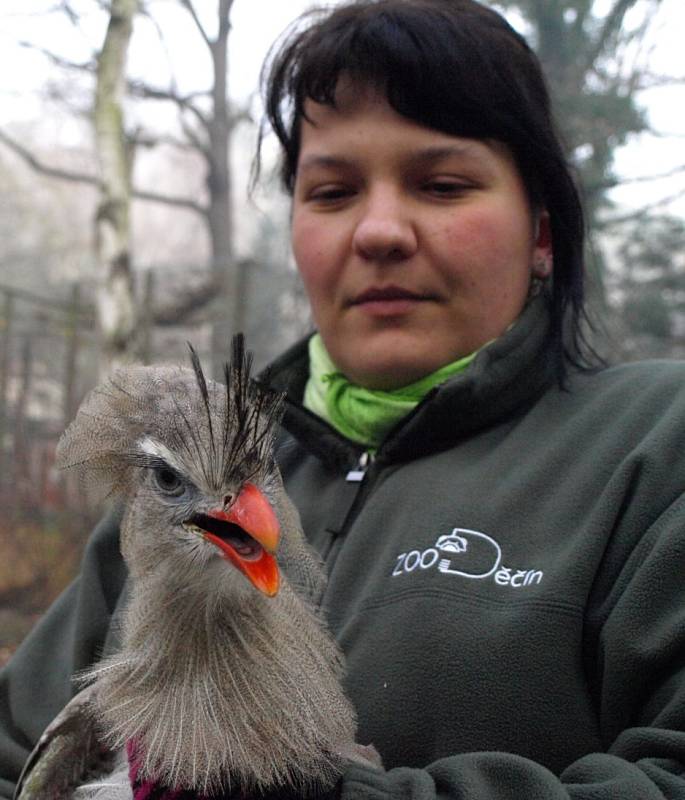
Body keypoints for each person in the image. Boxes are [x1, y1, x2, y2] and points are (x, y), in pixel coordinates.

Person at [2, 0, 685, 797]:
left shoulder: (653, 443)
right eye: (331, 192)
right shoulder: (184, 475)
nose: (379, 231)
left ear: (541, 230)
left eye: (441, 184)